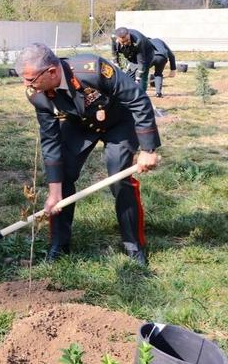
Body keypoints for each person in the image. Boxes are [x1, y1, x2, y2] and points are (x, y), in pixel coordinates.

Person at [14, 42, 161, 265]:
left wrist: (148, 149)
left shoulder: (92, 69)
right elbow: (50, 139)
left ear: (52, 72)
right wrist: (54, 191)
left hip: (118, 123)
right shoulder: (37, 94)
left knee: (119, 179)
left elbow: (137, 99)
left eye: (31, 79)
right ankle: (60, 244)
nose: (27, 85)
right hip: (78, 126)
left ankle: (134, 246)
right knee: (62, 179)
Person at [111, 27, 154, 91]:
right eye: (122, 42)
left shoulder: (138, 41)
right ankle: (129, 93)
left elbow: (141, 62)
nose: (125, 43)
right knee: (129, 75)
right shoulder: (114, 37)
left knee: (141, 76)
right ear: (117, 38)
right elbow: (114, 51)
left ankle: (141, 94)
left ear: (129, 34)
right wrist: (116, 63)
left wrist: (138, 78)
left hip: (146, 54)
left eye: (127, 40)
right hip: (131, 54)